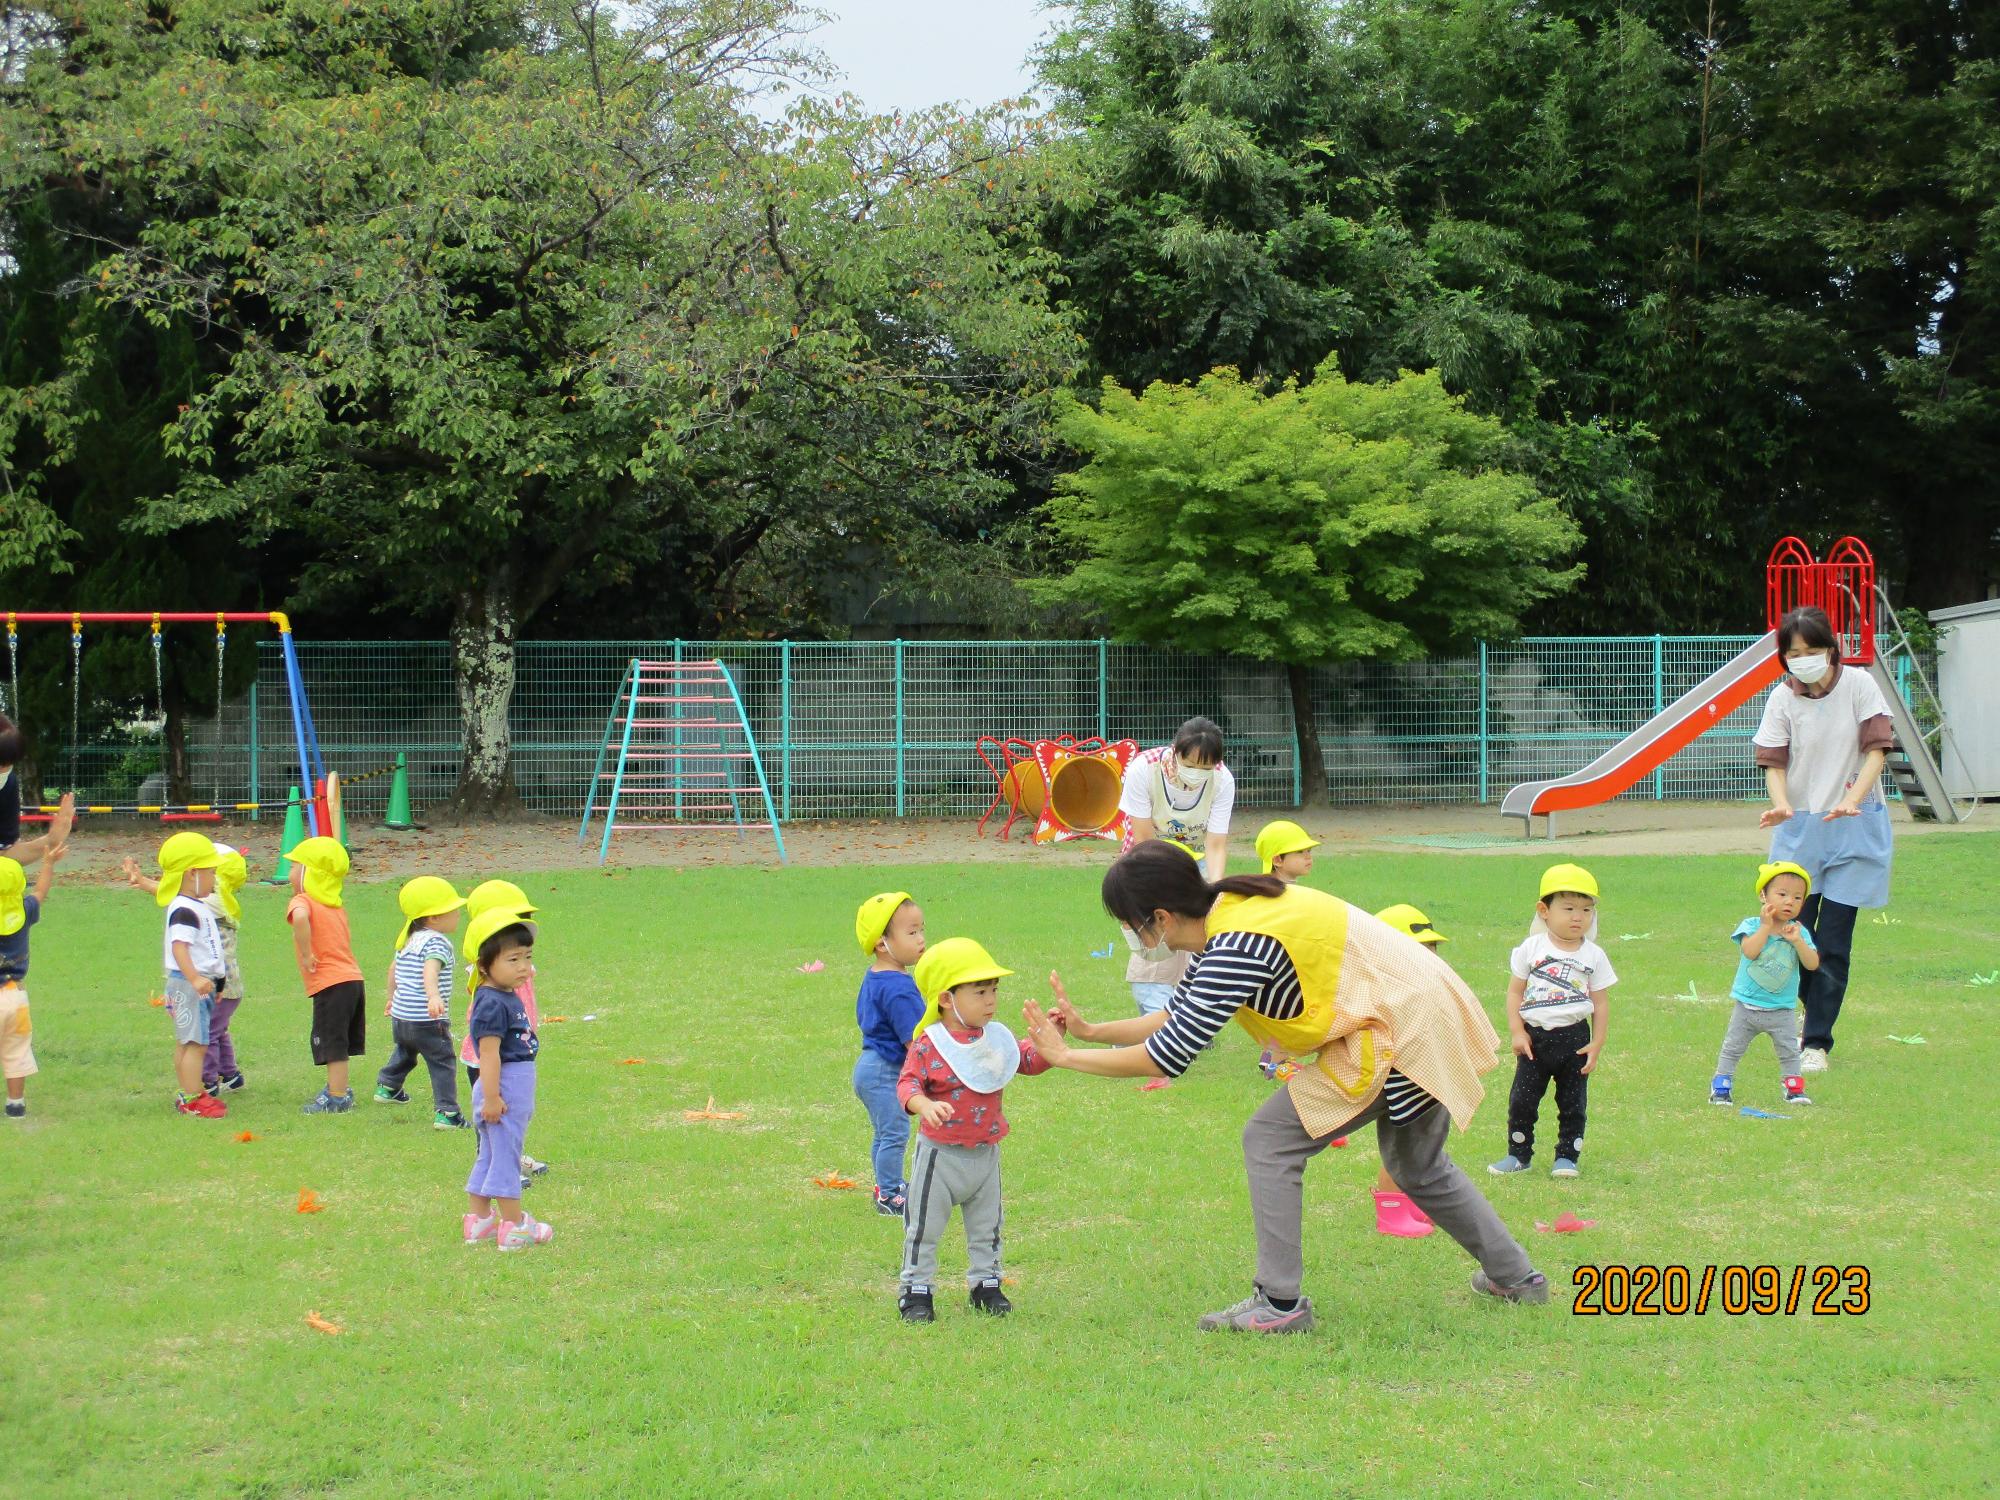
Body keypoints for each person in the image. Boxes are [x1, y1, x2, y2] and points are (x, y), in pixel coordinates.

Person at [1025, 842, 1546, 1333]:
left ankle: (1278, 1304)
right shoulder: (1229, 911)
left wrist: (1066, 1057)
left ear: (1159, 918)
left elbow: (1167, 1056)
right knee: (1417, 1164)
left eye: (1130, 926)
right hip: (1420, 1015)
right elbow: (1176, 1013)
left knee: (1270, 1138)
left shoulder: (1236, 942)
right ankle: (1517, 1278)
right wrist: (1092, 1032)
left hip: (1400, 1028)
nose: (1133, 937)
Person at [1753, 605, 1895, 1074]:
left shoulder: (1859, 684)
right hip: (1799, 830)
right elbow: (1774, 761)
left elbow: (1876, 749)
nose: (1804, 659)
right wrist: (1780, 804)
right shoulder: (1781, 698)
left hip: (1854, 823)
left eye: (1813, 650)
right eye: (1795, 652)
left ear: (1832, 650)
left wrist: (1853, 798)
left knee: (1833, 941)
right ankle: (1807, 1014)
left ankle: (1815, 1040)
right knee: (1790, 933)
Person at [895, 938, 1050, 1323]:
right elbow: (907, 1084)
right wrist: (925, 1105)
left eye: (994, 990)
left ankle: (986, 1285)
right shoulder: (930, 1044)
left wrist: (1049, 1042)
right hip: (940, 1157)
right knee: (924, 1228)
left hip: (985, 1155)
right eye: (980, 992)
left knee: (988, 1227)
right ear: (947, 999)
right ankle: (916, 1291)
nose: (991, 1001)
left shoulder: (995, 1036)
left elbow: (1026, 1061)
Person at [1489, 864, 1616, 1180]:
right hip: (1535, 1040)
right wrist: (1517, 1032)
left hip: (1575, 1039)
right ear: (1544, 911)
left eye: (1586, 910)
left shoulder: (1594, 955)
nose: (1578, 917)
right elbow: (1514, 993)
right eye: (1569, 908)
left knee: (1573, 1103)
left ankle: (1567, 1158)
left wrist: (1597, 1043)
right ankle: (1519, 1156)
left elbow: (1600, 1003)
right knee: (1522, 1102)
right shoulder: (1530, 949)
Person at [1117, 716, 1235, 1017]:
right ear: (1176, 751)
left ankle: (1193, 1016)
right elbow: (1143, 838)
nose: (1198, 773)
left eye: (1206, 768)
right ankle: (1153, 1017)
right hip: (1148, 860)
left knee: (1199, 939)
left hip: (1197, 863)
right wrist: (1162, 890)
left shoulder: (1222, 780)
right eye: (1191, 764)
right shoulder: (1145, 769)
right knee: (1154, 944)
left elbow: (1216, 843)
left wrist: (1215, 890)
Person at [123, 844, 251, 1096]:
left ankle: (206, 1082)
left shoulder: (211, 900)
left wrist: (145, 881)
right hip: (219, 983)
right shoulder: (214, 900)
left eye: (214, 870)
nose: (211, 875)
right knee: (215, 1030)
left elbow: (173, 894)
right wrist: (143, 881)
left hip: (211, 983)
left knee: (206, 1035)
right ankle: (229, 1075)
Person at [461, 909, 550, 1250]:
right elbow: (488, 1054)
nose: (524, 967)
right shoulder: (491, 1003)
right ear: (483, 965)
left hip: (507, 1086)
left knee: (490, 1154)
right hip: (505, 1087)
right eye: (512, 959)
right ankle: (514, 1226)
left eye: (527, 957)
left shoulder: (499, 995)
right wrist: (494, 1097)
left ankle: (479, 1220)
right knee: (506, 1156)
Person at [1368, 904, 1456, 1237]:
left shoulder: (1426, 989)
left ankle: (1411, 1201)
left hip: (1425, 1081)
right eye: (1419, 952)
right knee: (1398, 1149)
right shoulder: (1383, 993)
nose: (1429, 959)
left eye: (1432, 950)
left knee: (1420, 1147)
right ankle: (1390, 1212)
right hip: (1398, 1084)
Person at [458, 879, 547, 1181]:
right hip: (490, 1056)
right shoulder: (489, 972)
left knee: (511, 1117)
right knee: (494, 1115)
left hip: (513, 1051)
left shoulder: (515, 964)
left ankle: (511, 1158)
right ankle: (497, 1168)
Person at [1710, 863, 1818, 1108]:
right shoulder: (1751, 925)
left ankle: (1793, 1089)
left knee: (1789, 1051)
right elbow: (1750, 951)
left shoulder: (1799, 932)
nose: (1789, 901)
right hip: (1747, 1007)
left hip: (1781, 1009)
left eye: (1797, 897)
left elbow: (1812, 964)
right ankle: (1721, 1087)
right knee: (1732, 1048)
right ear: (1763, 896)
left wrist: (1799, 943)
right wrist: (1766, 927)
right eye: (1782, 894)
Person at [852, 890, 927, 1218]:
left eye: (922, 929)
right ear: (882, 943)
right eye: (912, 933)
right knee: (894, 1132)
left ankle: (886, 1185)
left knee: (885, 1132)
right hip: (884, 1072)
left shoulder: (877, 976)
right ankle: (891, 1193)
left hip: (870, 1067)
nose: (921, 939)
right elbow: (914, 1041)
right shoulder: (898, 988)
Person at [375, 876, 469, 1127]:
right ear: (434, 918)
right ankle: (448, 1113)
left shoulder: (409, 938)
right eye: (453, 910)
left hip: (402, 1015)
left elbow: (393, 969)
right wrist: (433, 995)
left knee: (406, 1049)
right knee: (442, 1061)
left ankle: (388, 1085)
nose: (459, 914)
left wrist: (391, 998)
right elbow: (430, 970)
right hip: (427, 1018)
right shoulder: (437, 941)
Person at [286, 836, 366, 1115]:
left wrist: (307, 953)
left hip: (331, 984)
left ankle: (337, 1096)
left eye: (295, 866)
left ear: (310, 873)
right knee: (340, 1042)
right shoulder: (336, 906)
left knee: (332, 1044)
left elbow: (298, 918)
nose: (290, 874)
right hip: (353, 980)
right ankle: (340, 1089)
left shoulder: (302, 900)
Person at [156, 831, 230, 1118]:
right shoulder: (184, 909)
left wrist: (218, 982)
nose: (214, 878)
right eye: (211, 872)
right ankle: (190, 1098)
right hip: (189, 985)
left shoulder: (196, 906)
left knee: (189, 1041)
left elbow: (207, 949)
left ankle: (193, 1091)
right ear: (192, 873)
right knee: (195, 1044)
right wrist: (195, 978)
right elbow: (180, 948)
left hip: (198, 984)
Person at [1, 842, 64, 1119]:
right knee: (16, 1051)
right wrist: (48, 863)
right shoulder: (24, 910)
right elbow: (40, 892)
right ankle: (16, 1104)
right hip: (15, 997)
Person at [0, 713, 75, 864]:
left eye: (7, 765)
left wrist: (50, 841)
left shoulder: (8, 784)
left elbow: (5, 855)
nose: (3, 772)